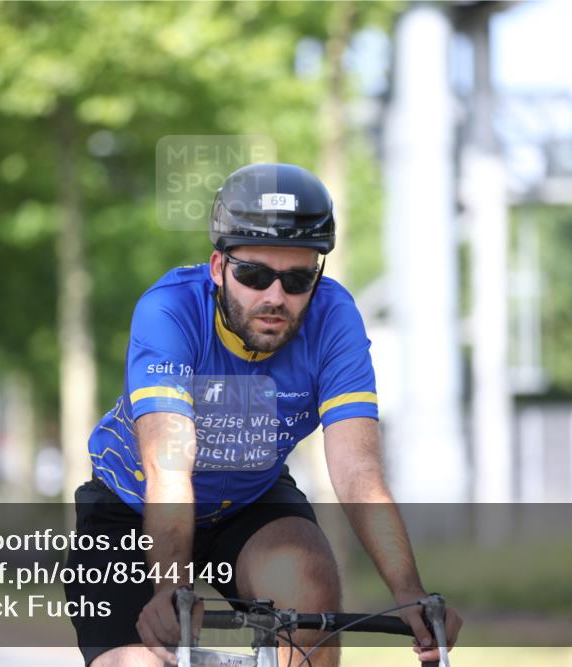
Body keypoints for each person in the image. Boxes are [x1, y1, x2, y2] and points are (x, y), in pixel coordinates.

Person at [64, 163, 462, 666]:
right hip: (135, 505)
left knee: (309, 583)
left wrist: (410, 593)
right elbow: (169, 465)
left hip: (251, 499)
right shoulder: (169, 311)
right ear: (217, 267)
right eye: (254, 275)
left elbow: (359, 472)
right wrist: (171, 588)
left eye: (297, 280)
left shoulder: (334, 318)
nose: (275, 297)